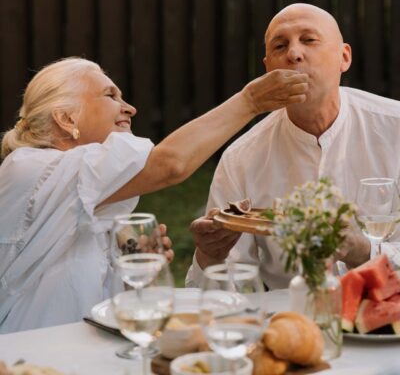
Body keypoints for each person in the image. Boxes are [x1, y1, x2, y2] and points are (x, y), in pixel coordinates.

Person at [0, 57, 307, 333]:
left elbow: (91, 297)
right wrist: (250, 101)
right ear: (66, 118)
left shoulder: (91, 188)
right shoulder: (30, 169)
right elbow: (170, 165)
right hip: (26, 359)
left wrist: (132, 266)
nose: (130, 108)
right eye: (110, 95)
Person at [186, 3, 400, 290]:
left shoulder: (394, 127)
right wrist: (210, 257)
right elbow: (226, 297)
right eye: (280, 46)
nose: (294, 54)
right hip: (291, 323)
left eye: (309, 40)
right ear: (268, 69)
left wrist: (366, 252)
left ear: (344, 57)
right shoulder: (241, 158)